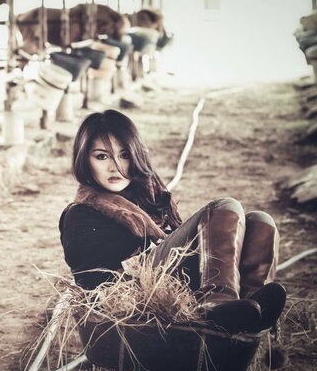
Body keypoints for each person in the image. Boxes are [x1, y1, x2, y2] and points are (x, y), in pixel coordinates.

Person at [59, 110, 286, 334]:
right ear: (84, 160)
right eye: (101, 156)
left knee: (259, 221)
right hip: (133, 296)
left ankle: (251, 306)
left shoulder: (146, 198)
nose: (115, 167)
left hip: (171, 280)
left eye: (125, 155)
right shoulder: (80, 213)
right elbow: (96, 284)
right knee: (224, 207)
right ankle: (217, 301)